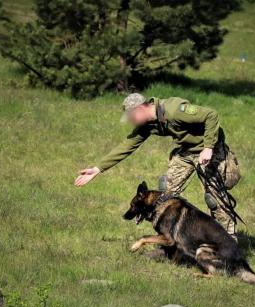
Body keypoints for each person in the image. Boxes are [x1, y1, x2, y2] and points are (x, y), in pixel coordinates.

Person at [75, 93, 241, 238]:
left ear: (140, 109)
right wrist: (98, 168)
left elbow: (211, 115)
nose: (132, 122)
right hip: (187, 151)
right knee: (164, 195)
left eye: (131, 117)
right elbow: (127, 145)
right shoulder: (149, 124)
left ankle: (228, 242)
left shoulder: (174, 110)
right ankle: (170, 239)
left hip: (209, 148)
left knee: (214, 198)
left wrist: (208, 148)